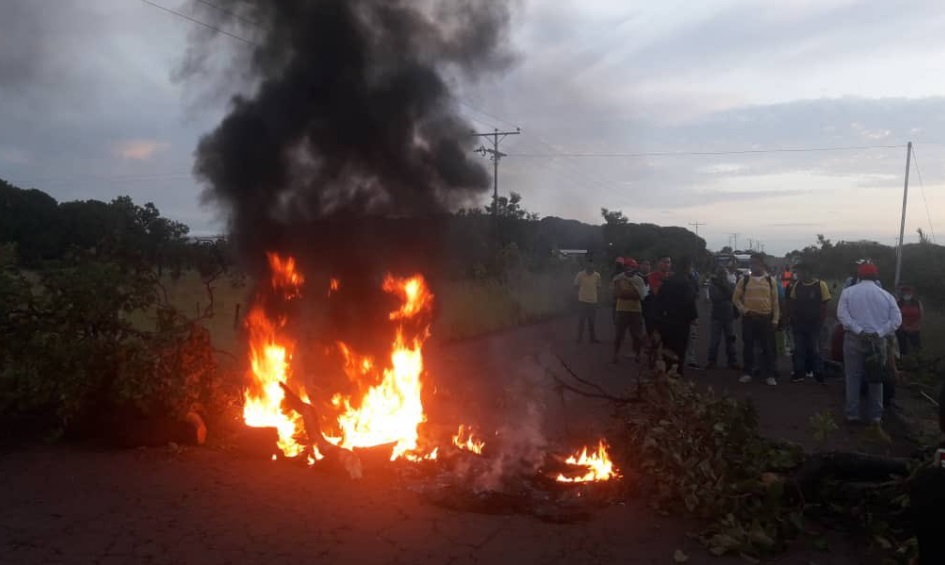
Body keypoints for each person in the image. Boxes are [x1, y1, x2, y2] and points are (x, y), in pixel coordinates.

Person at [836, 262, 901, 431]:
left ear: (859, 275)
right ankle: (876, 417)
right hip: (877, 342)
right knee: (876, 378)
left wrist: (858, 330)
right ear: (876, 275)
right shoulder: (886, 296)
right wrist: (879, 333)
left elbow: (842, 315)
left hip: (854, 339)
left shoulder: (848, 292)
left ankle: (852, 414)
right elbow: (896, 320)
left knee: (853, 376)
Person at [733, 253, 780, 386]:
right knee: (748, 347)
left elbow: (775, 302)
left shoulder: (771, 280)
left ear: (762, 264)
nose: (753, 266)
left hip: (766, 318)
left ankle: (769, 375)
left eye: (756, 263)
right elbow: (735, 299)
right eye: (751, 263)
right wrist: (745, 311)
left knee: (767, 348)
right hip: (749, 319)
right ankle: (748, 372)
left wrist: (775, 320)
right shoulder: (744, 279)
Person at [785, 263, 831, 383]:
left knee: (816, 349)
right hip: (799, 323)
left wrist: (821, 319)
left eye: (799, 272)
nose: (797, 274)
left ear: (808, 272)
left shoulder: (821, 285)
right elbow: (792, 301)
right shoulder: (797, 285)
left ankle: (818, 373)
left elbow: (825, 304)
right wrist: (791, 316)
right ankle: (799, 373)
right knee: (799, 349)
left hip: (815, 324)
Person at [655, 256, 699, 376]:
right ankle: (677, 372)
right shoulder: (687, 282)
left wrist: (658, 320)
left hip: (666, 319)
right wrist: (693, 317)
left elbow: (659, 301)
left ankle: (666, 371)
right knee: (680, 349)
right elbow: (690, 301)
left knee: (667, 348)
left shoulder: (668, 281)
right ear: (688, 267)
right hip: (681, 321)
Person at [612, 258, 647, 364]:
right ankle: (615, 355)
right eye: (627, 266)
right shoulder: (617, 278)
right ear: (624, 267)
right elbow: (616, 294)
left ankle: (637, 355)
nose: (629, 268)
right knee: (619, 335)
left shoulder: (639, 280)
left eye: (632, 267)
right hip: (621, 310)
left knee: (637, 335)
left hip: (635, 311)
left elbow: (640, 296)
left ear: (635, 268)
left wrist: (625, 293)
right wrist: (630, 294)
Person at [706, 266, 738, 370]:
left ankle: (732, 361)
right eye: (721, 274)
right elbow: (715, 298)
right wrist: (728, 294)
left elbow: (733, 295)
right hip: (718, 315)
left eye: (724, 274)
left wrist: (727, 293)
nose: (722, 276)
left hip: (727, 315)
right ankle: (712, 361)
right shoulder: (713, 285)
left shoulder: (724, 284)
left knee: (730, 339)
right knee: (715, 340)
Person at [573, 258, 601, 343]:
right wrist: (578, 296)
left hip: (593, 301)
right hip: (582, 300)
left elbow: (599, 287)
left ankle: (592, 338)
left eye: (592, 264)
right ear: (586, 265)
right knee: (581, 320)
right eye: (589, 264)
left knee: (592, 321)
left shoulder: (597, 275)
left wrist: (598, 298)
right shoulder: (580, 274)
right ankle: (579, 338)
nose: (590, 266)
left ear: (594, 265)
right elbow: (576, 286)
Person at [896, 285, 923, 356]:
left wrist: (915, 326)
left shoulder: (917, 303)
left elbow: (921, 315)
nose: (907, 294)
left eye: (909, 292)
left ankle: (918, 359)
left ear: (912, 293)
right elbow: (896, 317)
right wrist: (903, 327)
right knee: (902, 348)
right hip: (901, 329)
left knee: (917, 348)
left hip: (915, 328)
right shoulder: (898, 303)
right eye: (905, 293)